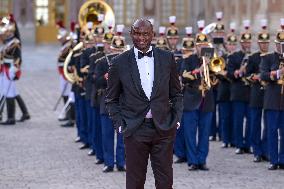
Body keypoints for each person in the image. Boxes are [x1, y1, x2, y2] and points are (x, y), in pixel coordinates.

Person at [105, 19, 183, 189]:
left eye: (146, 34)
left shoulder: (167, 58)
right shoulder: (119, 62)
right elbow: (111, 99)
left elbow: (176, 93)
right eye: (137, 33)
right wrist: (120, 125)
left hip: (163, 128)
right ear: (131, 34)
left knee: (165, 182)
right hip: (134, 129)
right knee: (135, 182)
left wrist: (175, 119)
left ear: (152, 35)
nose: (141, 38)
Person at [180, 20, 215, 171]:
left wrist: (210, 66)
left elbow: (216, 77)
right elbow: (184, 76)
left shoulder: (211, 59)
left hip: (206, 99)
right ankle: (193, 160)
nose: (202, 48)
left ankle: (202, 160)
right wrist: (200, 69)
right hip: (191, 98)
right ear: (195, 47)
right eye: (200, 46)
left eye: (205, 46)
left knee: (205, 132)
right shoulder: (188, 60)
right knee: (189, 132)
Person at [94, 26, 126, 173]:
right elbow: (97, 81)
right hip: (106, 103)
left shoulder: (130, 64)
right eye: (116, 50)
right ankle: (108, 162)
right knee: (107, 136)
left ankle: (121, 162)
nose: (118, 53)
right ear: (111, 49)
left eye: (121, 51)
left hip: (123, 105)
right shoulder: (101, 62)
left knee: (122, 136)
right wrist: (107, 76)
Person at [260, 18, 284, 170]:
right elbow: (263, 75)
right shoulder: (268, 58)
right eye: (280, 44)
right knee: (272, 132)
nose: (283, 47)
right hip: (272, 100)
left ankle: (282, 159)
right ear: (276, 44)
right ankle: (273, 160)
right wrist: (277, 73)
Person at [227, 20, 252, 154]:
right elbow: (229, 73)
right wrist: (236, 72)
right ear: (241, 43)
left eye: (249, 42)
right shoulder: (235, 56)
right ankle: (238, 144)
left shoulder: (254, 57)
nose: (247, 44)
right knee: (238, 120)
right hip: (237, 92)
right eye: (245, 42)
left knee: (250, 121)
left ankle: (248, 144)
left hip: (250, 92)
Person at [247, 19, 270, 162]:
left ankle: (266, 150)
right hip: (256, 92)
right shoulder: (253, 57)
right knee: (255, 123)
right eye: (262, 42)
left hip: (268, 94)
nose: (264, 44)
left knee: (268, 124)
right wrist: (254, 77)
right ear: (258, 43)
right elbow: (247, 75)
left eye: (266, 42)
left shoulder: (273, 56)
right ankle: (256, 150)